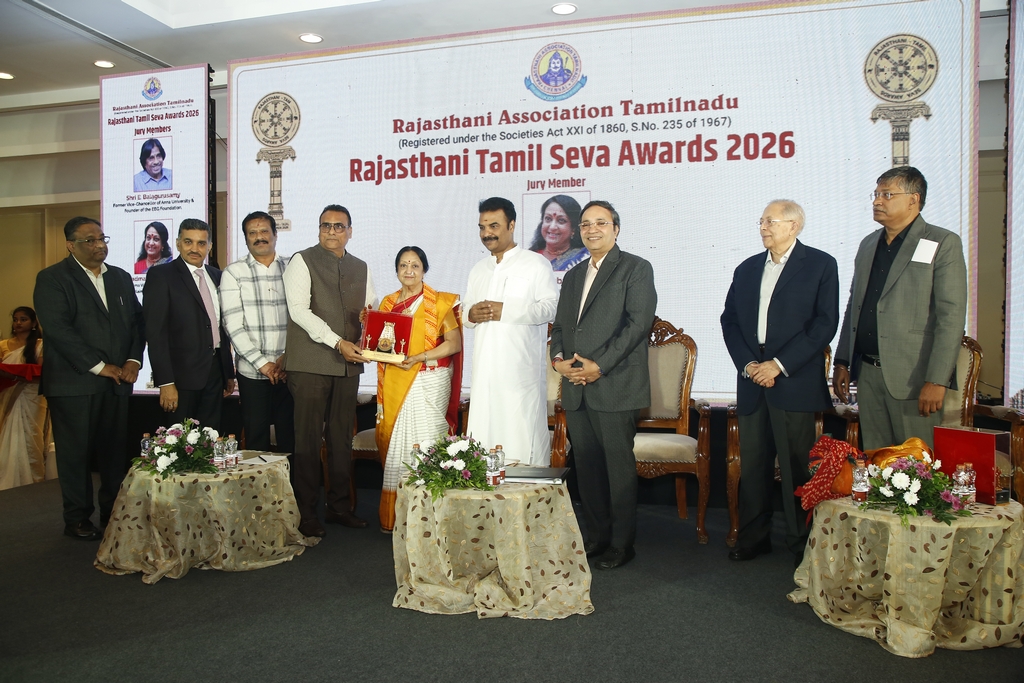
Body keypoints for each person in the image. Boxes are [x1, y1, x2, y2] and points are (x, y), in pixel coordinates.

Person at [720, 200, 839, 564]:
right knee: (754, 465)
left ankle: (802, 543)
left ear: (794, 225)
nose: (763, 227)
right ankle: (753, 538)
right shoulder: (747, 268)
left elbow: (824, 324)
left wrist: (778, 365)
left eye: (770, 221)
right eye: (761, 221)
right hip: (752, 379)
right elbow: (730, 321)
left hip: (793, 379)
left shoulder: (820, 264)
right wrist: (750, 364)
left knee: (795, 466)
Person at [551, 200, 657, 570]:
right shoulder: (574, 275)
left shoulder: (635, 268)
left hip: (615, 383)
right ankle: (597, 537)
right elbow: (561, 327)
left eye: (601, 222)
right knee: (588, 467)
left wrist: (600, 366)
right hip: (576, 386)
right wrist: (559, 360)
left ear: (616, 228)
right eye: (585, 224)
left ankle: (622, 544)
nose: (592, 229)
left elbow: (638, 324)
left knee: (617, 467)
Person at [833, 167, 968, 450]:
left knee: (914, 466)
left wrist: (937, 380)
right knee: (876, 461)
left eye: (887, 195)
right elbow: (855, 305)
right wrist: (843, 360)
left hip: (915, 378)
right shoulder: (868, 244)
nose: (877, 201)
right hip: (868, 374)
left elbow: (951, 317)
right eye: (876, 194)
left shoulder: (942, 242)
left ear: (913, 199)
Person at [33, 217, 145, 540]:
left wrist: (133, 360)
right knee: (76, 455)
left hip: (118, 381)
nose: (99, 245)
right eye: (90, 240)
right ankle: (77, 518)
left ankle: (113, 513)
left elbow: (137, 323)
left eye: (102, 238)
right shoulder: (53, 278)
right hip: (74, 383)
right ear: (71, 245)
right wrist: (99, 366)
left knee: (113, 453)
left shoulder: (120, 277)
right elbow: (58, 330)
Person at [283, 204, 377, 538]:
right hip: (310, 363)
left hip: (348, 366)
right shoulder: (301, 260)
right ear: (319, 229)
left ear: (350, 231)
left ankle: (339, 507)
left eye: (339, 226)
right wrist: (338, 342)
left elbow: (370, 310)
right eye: (326, 225)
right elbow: (299, 311)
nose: (332, 231)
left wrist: (370, 337)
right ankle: (306, 512)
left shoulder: (361, 266)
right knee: (308, 441)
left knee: (340, 439)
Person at [465, 197, 558, 466]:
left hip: (520, 375)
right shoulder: (478, 269)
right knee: (484, 440)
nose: (487, 233)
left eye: (494, 226)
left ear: (512, 225)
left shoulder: (536, 263)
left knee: (521, 440)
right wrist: (470, 315)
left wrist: (506, 310)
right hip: (485, 374)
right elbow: (465, 312)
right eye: (482, 227)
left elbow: (551, 308)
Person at [375, 247, 462, 533]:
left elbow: (453, 344)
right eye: (403, 265)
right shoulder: (388, 303)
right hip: (397, 382)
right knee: (400, 446)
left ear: (424, 269)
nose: (409, 270)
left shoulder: (439, 303)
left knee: (428, 440)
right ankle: (398, 519)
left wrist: (420, 357)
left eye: (415, 265)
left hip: (430, 379)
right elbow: (380, 343)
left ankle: (432, 518)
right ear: (396, 270)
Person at [143, 218, 235, 431]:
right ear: (177, 243)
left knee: (210, 437)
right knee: (179, 441)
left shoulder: (218, 276)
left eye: (201, 243)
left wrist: (228, 373)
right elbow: (155, 333)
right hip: (180, 378)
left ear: (209, 246)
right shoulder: (161, 275)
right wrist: (165, 382)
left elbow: (221, 326)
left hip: (215, 374)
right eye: (188, 242)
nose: (195, 248)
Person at [220, 211, 294, 454]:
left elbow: (303, 318)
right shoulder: (233, 273)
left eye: (264, 231)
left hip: (290, 370)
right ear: (245, 238)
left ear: (275, 234)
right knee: (256, 439)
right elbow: (233, 325)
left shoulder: (293, 268)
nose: (259, 237)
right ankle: (259, 482)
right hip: (252, 372)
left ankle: (290, 481)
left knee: (291, 439)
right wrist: (263, 364)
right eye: (252, 233)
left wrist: (287, 358)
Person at [0, 307, 47, 489]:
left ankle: (32, 479)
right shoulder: (4, 345)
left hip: (32, 394)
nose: (18, 323)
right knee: (6, 434)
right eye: (15, 319)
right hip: (8, 394)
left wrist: (18, 375)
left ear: (34, 323)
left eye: (23, 319)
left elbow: (43, 373)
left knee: (30, 435)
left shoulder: (40, 345)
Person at [529, 195, 587, 271]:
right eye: (548, 219)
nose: (552, 227)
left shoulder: (584, 258)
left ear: (573, 229)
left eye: (561, 220)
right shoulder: (530, 257)